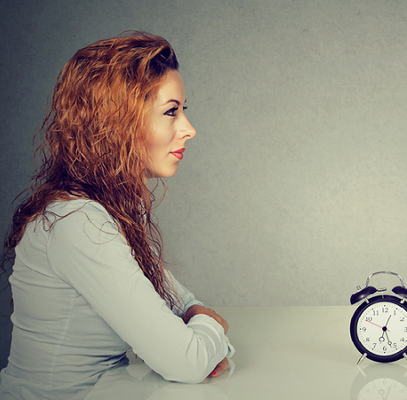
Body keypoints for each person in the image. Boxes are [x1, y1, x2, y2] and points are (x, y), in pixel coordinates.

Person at [0, 32, 233, 399]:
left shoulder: (113, 209)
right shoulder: (78, 222)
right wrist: (206, 333)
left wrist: (197, 327)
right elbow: (188, 360)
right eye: (171, 111)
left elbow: (182, 302)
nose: (189, 128)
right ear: (118, 122)